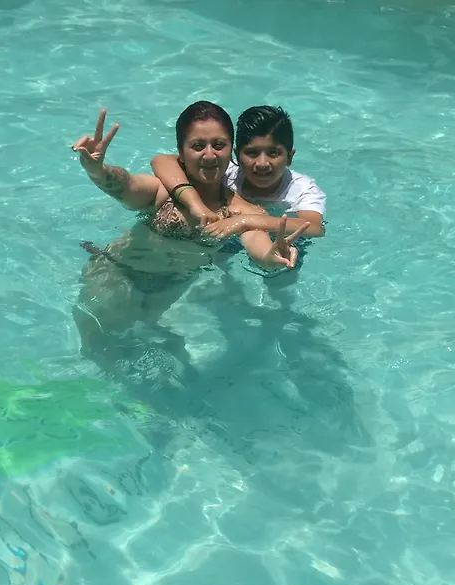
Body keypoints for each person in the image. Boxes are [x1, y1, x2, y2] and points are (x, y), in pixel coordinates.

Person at [69, 102, 309, 381]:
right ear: (181, 153)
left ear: (231, 151)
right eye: (197, 146)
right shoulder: (162, 191)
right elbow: (125, 185)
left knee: (134, 358)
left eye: (218, 145)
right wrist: (97, 170)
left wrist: (272, 256)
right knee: (98, 352)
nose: (209, 154)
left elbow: (257, 246)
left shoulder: (242, 212)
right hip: (116, 276)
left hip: (168, 290)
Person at [150, 105, 326, 240]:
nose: (262, 163)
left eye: (273, 153)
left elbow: (315, 227)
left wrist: (245, 220)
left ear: (289, 157)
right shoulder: (226, 172)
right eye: (252, 153)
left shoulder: (302, 189)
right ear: (236, 155)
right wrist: (194, 202)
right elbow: (162, 161)